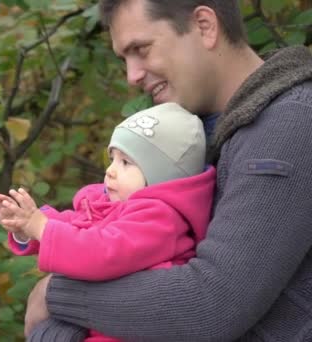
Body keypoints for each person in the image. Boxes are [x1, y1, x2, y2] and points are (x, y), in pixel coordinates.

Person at [24, 0, 312, 341]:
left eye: (141, 49)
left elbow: (209, 305)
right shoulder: (180, 141)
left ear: (205, 26)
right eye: (124, 59)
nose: (132, 76)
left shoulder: (291, 124)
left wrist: (55, 295)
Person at [0, 103, 215, 341]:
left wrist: (40, 226)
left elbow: (102, 252)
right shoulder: (108, 205)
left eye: (126, 162)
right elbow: (74, 226)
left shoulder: (160, 219)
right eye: (112, 158)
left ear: (160, 178)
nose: (110, 171)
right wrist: (26, 227)